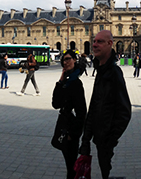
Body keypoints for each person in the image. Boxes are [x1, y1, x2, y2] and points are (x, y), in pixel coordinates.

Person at [80, 30, 132, 179]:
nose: (94, 44)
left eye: (99, 42)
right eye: (94, 41)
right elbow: (94, 106)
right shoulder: (101, 70)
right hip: (97, 135)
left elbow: (125, 112)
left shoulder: (114, 73)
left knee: (105, 170)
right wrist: (85, 139)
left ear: (110, 43)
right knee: (104, 170)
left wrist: (111, 139)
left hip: (105, 137)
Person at [52, 52, 87, 179]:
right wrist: (60, 82)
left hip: (71, 131)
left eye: (68, 59)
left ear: (74, 60)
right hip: (64, 126)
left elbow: (82, 112)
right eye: (63, 60)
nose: (65, 62)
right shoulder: (66, 81)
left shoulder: (76, 83)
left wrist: (73, 134)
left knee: (71, 166)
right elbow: (55, 104)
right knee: (70, 164)